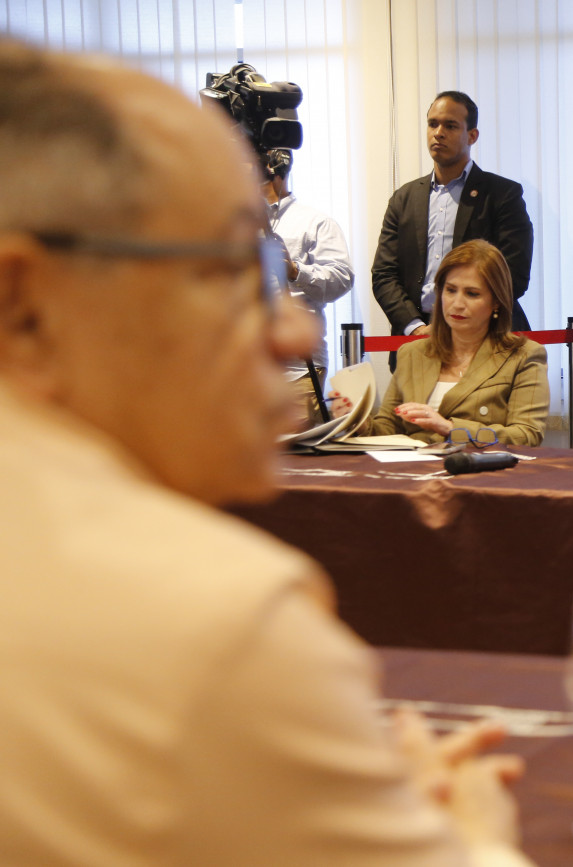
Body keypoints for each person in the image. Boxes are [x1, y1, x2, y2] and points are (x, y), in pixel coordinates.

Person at [0, 39, 532, 866]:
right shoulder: (222, 623)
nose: (291, 331)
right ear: (26, 306)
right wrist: (475, 832)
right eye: (236, 270)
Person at [372, 91, 533, 370]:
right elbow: (384, 274)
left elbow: (514, 275)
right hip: (416, 341)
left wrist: (461, 323)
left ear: (472, 135)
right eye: (432, 124)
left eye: (450, 125)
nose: (438, 133)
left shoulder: (502, 195)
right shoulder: (404, 198)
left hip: (484, 342)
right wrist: (415, 327)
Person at [349, 240, 548, 446]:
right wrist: (357, 421)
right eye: (450, 290)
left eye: (472, 294)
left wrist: (450, 428)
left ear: (496, 301)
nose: (457, 303)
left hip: (478, 464)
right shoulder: (412, 353)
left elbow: (526, 435)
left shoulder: (524, 355)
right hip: (414, 464)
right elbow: (387, 429)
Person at [262, 147, 354, 427]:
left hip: (296, 372)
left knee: (297, 452)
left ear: (274, 166)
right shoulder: (229, 224)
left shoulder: (315, 222)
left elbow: (341, 278)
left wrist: (295, 271)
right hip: (237, 371)